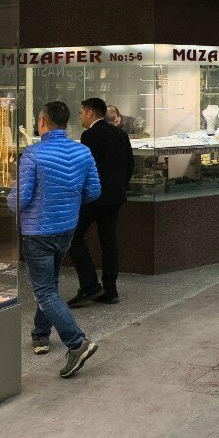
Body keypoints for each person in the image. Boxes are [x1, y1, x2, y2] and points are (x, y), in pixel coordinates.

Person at [8, 101, 101, 377]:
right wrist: (69, 203)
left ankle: (76, 342)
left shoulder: (33, 154)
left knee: (44, 290)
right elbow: (93, 191)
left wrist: (8, 200)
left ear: (43, 122)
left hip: (39, 231)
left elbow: (20, 199)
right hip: (66, 229)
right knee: (50, 283)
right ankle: (40, 333)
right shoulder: (83, 151)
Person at [68, 98, 135, 308]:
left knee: (74, 236)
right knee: (109, 242)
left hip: (94, 197)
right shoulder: (120, 133)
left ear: (89, 113)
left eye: (80, 113)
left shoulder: (89, 135)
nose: (79, 117)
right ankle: (110, 289)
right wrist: (120, 187)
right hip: (115, 197)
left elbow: (85, 167)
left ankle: (89, 285)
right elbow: (130, 164)